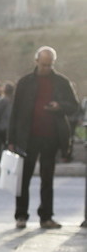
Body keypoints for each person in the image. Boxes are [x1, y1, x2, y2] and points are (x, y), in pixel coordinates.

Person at [9, 46, 78, 229]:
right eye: (43, 64)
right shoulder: (25, 82)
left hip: (51, 137)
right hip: (28, 137)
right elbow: (14, 112)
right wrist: (11, 140)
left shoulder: (62, 82)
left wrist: (59, 105)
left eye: (49, 65)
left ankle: (46, 217)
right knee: (24, 179)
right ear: (36, 61)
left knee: (47, 179)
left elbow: (74, 106)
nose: (46, 68)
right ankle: (21, 215)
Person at [0, 82, 14, 163]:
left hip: (2, 125)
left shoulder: (3, 100)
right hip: (10, 125)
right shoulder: (14, 100)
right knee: (7, 143)